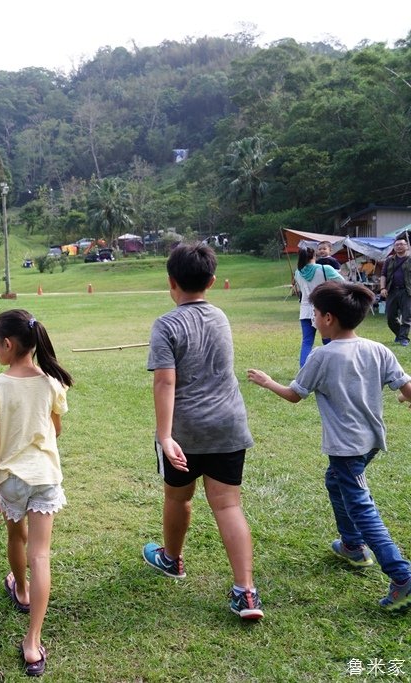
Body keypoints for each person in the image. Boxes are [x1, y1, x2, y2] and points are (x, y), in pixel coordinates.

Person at [247, 280, 411, 613]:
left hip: (347, 447)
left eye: (316, 314)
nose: (312, 319)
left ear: (329, 319)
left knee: (362, 506)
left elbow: (295, 395)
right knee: (334, 481)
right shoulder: (378, 349)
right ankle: (351, 545)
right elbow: (406, 387)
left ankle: (401, 575)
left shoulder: (323, 355)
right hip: (370, 443)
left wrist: (267, 382)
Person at [141, 242, 263, 620]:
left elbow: (165, 383)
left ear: (170, 282)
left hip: (185, 431)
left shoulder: (166, 324)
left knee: (178, 498)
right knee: (228, 505)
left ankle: (172, 559)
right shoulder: (221, 317)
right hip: (228, 423)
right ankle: (246, 592)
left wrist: (165, 435)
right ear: (212, 281)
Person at [0, 309, 73, 677]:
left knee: (17, 537)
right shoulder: (51, 383)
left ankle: (21, 591)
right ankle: (33, 642)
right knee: (41, 555)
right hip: (45, 476)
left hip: (11, 480)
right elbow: (56, 429)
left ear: (7, 344)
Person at [294, 246, 344, 367]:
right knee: (328, 340)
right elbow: (343, 282)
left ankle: (303, 369)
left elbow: (301, 290)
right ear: (314, 256)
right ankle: (332, 366)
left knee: (307, 341)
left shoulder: (298, 272)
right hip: (323, 308)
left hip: (305, 309)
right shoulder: (325, 268)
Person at [378, 238, 411, 346]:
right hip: (392, 290)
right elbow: (383, 275)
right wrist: (382, 288)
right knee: (390, 317)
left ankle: (403, 338)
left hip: (407, 291)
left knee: (407, 317)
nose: (399, 246)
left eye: (401, 244)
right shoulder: (389, 260)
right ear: (394, 247)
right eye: (396, 245)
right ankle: (399, 334)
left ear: (407, 246)